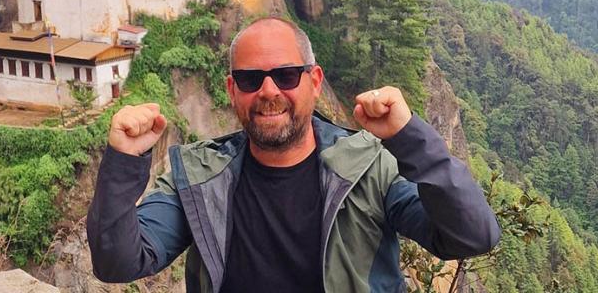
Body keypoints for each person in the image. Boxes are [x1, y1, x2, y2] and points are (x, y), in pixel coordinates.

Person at [87, 18, 500, 292]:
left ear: (314, 81)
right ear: (232, 91)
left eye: (285, 75)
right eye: (251, 79)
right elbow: (119, 262)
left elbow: (471, 235)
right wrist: (124, 162)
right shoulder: (196, 179)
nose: (269, 92)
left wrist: (410, 138)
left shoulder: (370, 169)